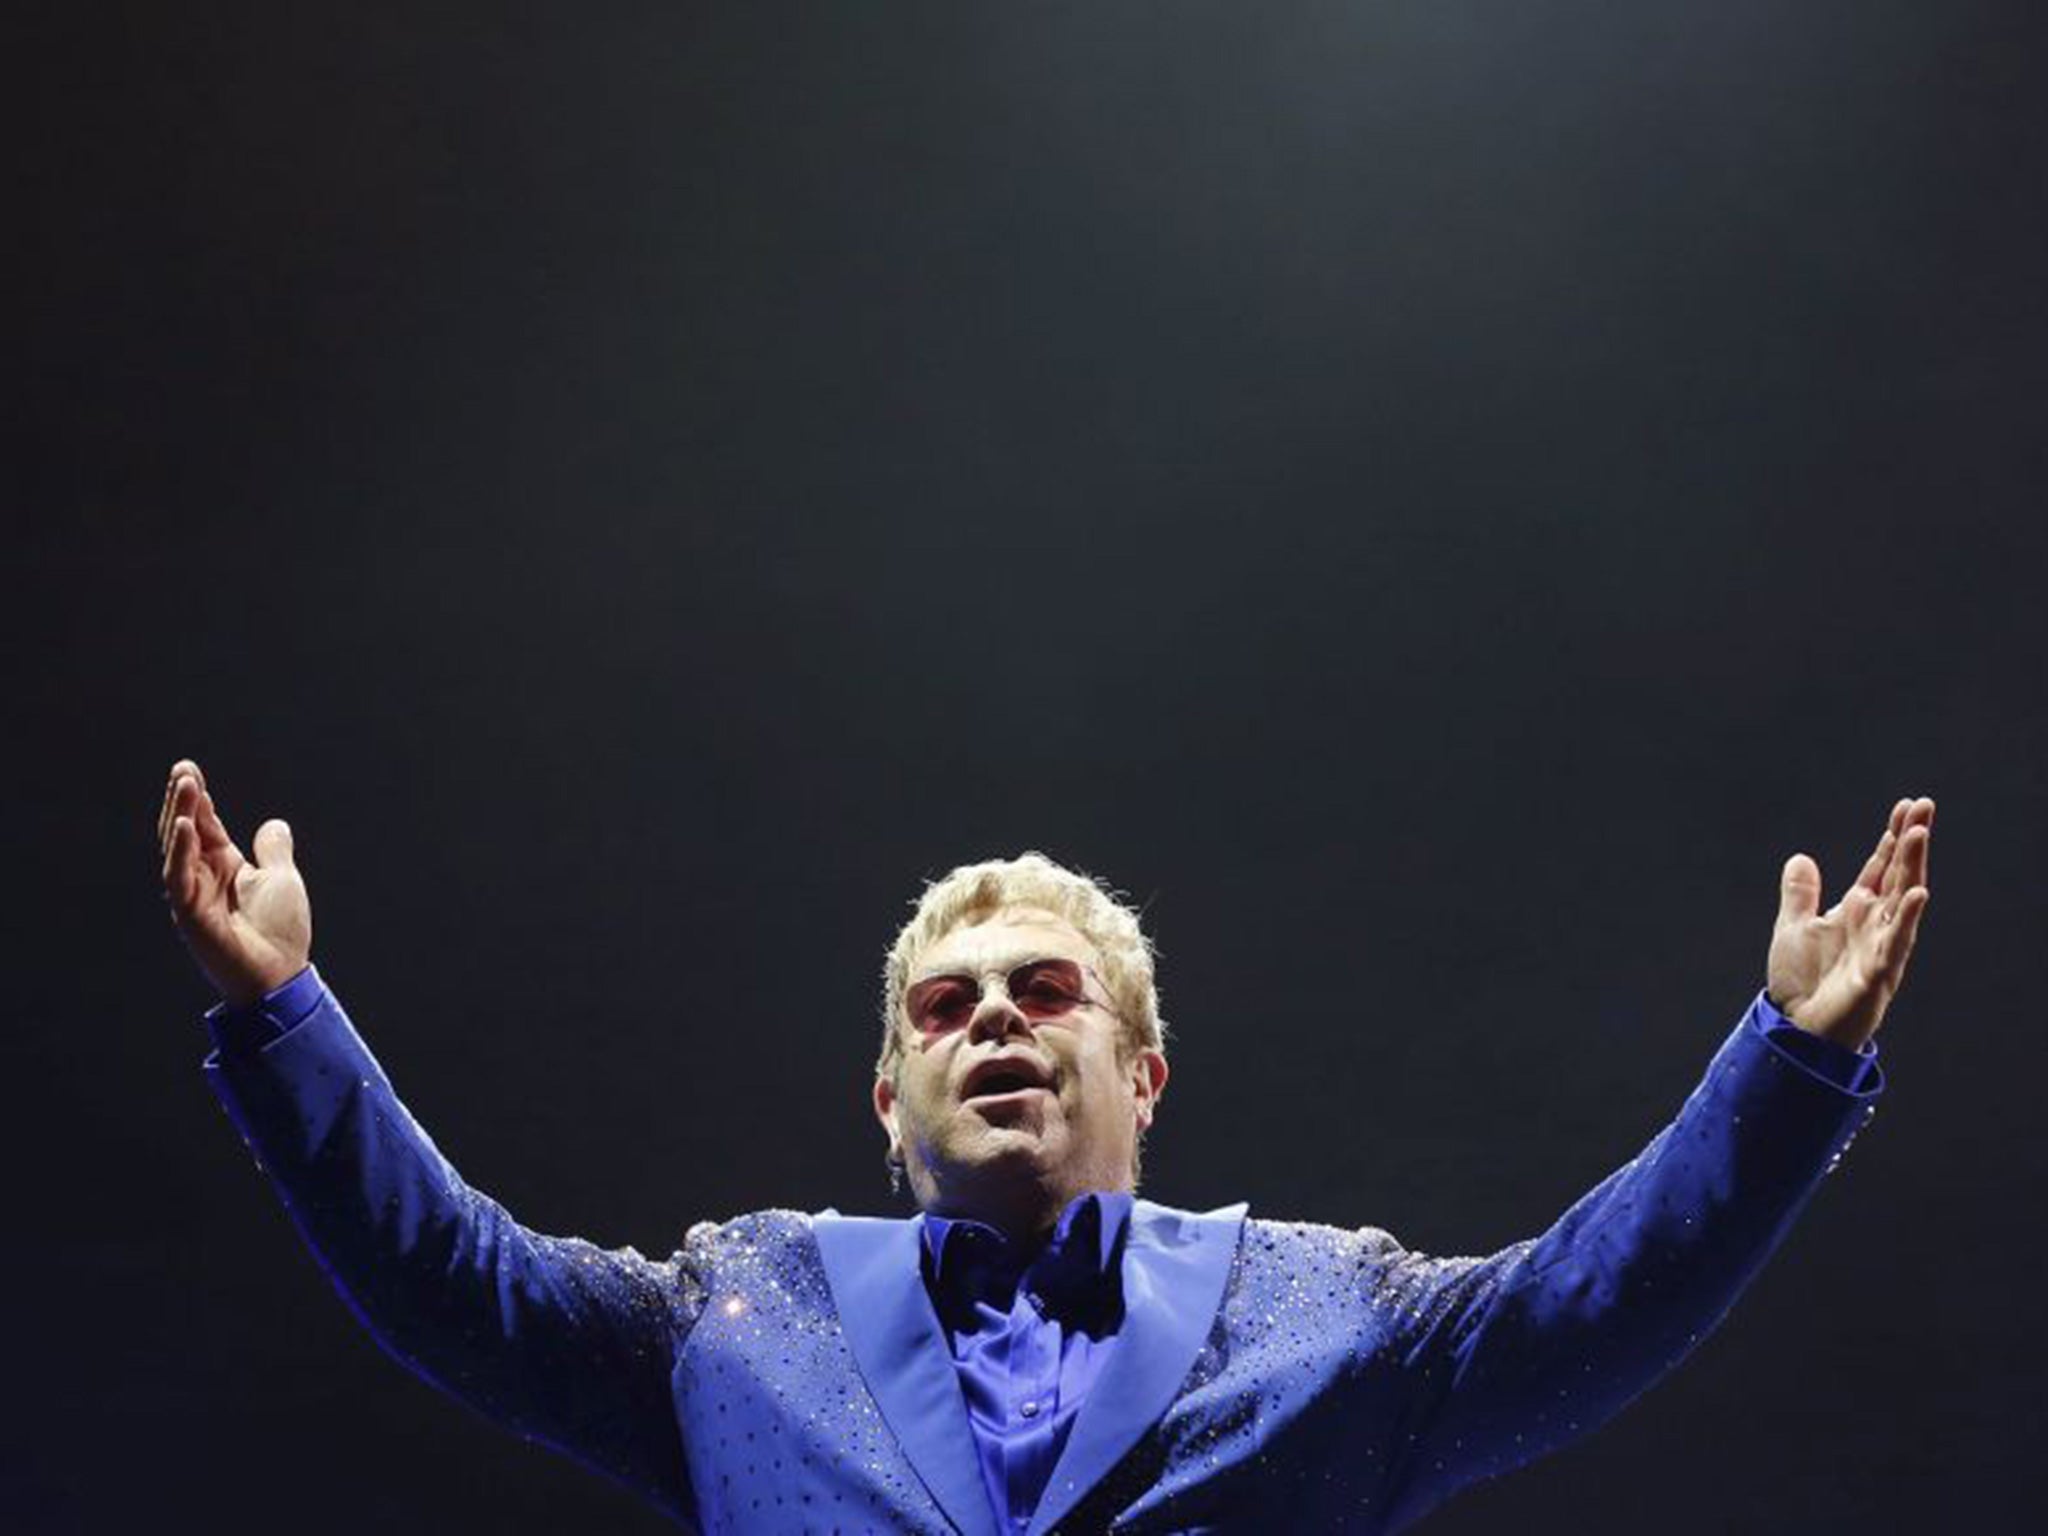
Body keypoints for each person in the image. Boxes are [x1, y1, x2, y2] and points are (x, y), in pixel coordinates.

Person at [158, 759, 1933, 1534]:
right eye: (944, 1006)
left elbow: (1601, 1299)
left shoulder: (1338, 1315)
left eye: (1044, 989)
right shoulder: (730, 1309)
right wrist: (284, 1014)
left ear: (1144, 1072)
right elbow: (451, 1282)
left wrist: (1791, 1061)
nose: (994, 1017)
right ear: (886, 1107)